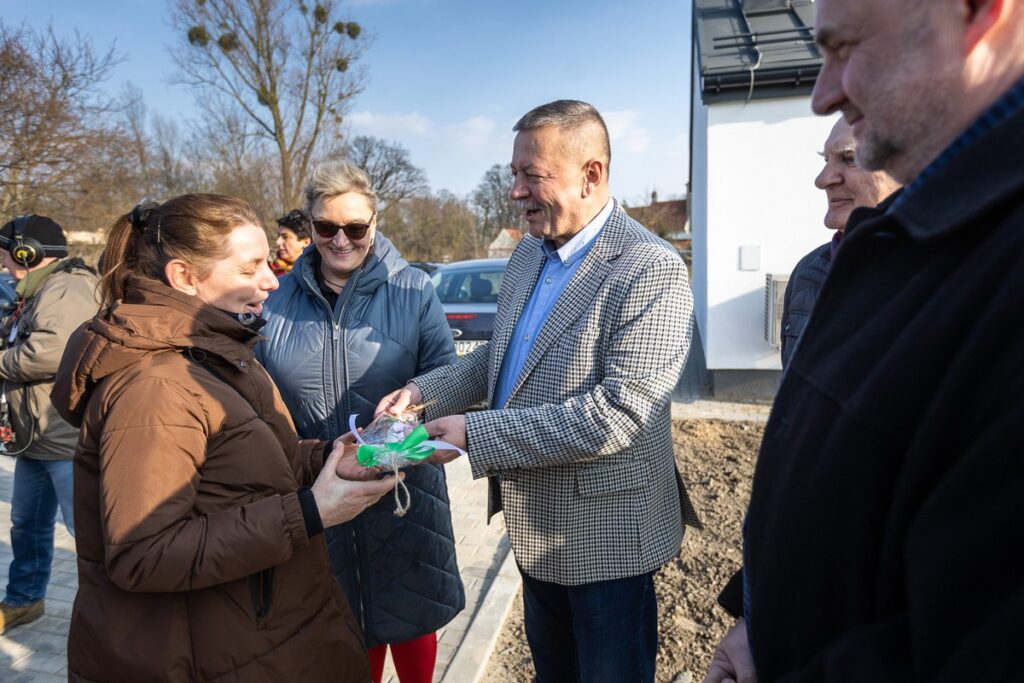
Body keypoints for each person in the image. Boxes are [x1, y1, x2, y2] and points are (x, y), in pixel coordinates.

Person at [705, 0, 1024, 681]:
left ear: (978, 13)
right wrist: (756, 618)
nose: (822, 93)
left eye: (846, 48)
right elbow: (833, 481)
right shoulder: (909, 240)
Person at [378, 100, 702, 683]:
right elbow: (499, 363)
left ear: (592, 174)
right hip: (534, 526)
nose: (516, 191)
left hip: (609, 537)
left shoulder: (649, 268)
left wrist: (475, 434)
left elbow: (619, 414)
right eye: (513, 173)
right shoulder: (529, 251)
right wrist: (422, 394)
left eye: (532, 175)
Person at [49, 193, 401, 681]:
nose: (270, 280)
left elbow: (238, 466)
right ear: (183, 278)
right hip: (208, 653)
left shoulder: (215, 352)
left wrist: (328, 458)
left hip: (254, 633)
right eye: (249, 267)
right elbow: (143, 553)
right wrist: (310, 510)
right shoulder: (156, 387)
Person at [257, 160, 463, 683]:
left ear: (374, 221)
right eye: (326, 227)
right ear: (310, 225)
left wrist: (395, 435)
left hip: (401, 488)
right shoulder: (276, 301)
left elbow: (448, 377)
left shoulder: (413, 288)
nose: (341, 240)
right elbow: (259, 399)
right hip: (318, 489)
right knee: (344, 633)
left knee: (412, 620)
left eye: (355, 227)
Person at [0, 214, 98, 633]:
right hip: (38, 436)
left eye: (6, 255)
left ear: (27, 253)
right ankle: (24, 600)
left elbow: (52, 351)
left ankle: (114, 612)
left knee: (87, 534)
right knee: (27, 524)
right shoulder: (40, 289)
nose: (4, 264)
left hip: (65, 437)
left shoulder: (67, 287)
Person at [779, 118, 901, 367]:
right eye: (826, 160)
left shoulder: (960, 276)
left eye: (849, 158)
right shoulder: (808, 271)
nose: (823, 180)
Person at [270, 208, 313, 275]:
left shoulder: (318, 275)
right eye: (279, 236)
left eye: (285, 237)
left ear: (305, 242)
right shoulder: (269, 272)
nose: (278, 242)